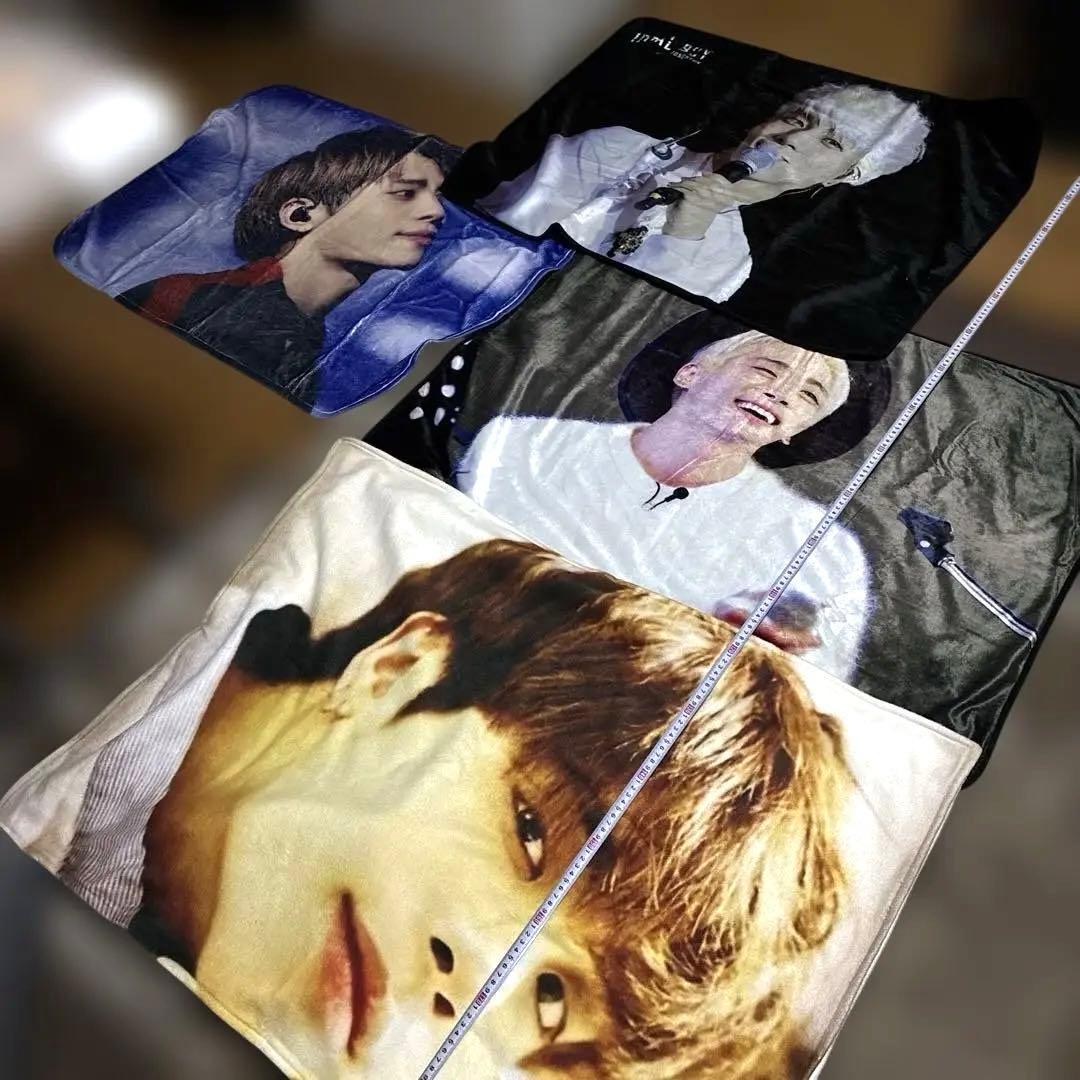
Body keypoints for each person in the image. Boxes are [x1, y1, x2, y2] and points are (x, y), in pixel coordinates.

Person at [124, 539, 851, 1077]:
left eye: (548, 1002)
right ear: (397, 673)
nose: (484, 972)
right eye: (529, 833)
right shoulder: (152, 622)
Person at [455, 329, 877, 679]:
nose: (781, 393)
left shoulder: (820, 546)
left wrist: (771, 653)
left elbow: (817, 682)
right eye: (766, 369)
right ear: (690, 373)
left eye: (809, 396)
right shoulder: (521, 443)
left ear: (796, 430)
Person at [477, 82, 930, 303]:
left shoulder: (727, 261)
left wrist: (684, 235)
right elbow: (504, 228)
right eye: (796, 118)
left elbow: (611, 320)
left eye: (831, 143)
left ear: (844, 176)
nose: (793, 139)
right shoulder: (618, 148)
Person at [118, 127, 456, 404]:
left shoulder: (305, 343)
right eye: (404, 193)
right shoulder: (192, 299)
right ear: (300, 215)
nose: (436, 212)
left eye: (437, 197)